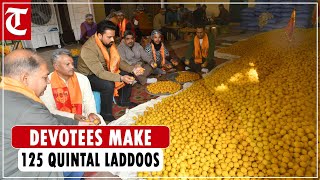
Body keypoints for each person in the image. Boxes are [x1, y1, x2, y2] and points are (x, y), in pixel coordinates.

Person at [0, 49, 87, 178]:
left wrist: (77, 123)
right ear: (25, 78)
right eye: (44, 77)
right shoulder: (27, 109)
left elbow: (48, 117)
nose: (48, 81)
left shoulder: (7, 91)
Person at [77, 20, 141, 121]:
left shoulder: (109, 43)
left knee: (128, 73)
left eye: (113, 37)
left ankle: (123, 101)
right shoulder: (88, 49)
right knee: (108, 84)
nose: (112, 40)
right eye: (109, 37)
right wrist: (120, 77)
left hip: (104, 69)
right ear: (99, 35)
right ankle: (106, 114)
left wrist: (132, 69)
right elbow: (100, 73)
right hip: (88, 76)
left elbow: (118, 62)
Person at [40, 48, 106, 125]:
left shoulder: (82, 79)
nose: (72, 67)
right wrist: (73, 116)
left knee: (99, 120)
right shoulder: (47, 82)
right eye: (67, 64)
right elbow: (50, 110)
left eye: (72, 63)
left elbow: (89, 101)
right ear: (56, 66)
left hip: (82, 115)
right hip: (60, 119)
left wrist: (90, 113)